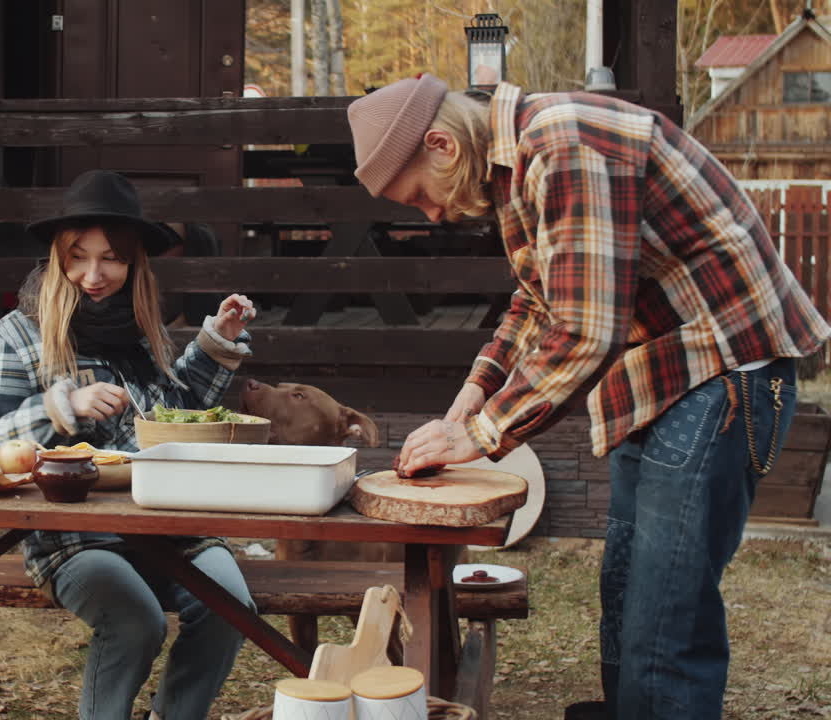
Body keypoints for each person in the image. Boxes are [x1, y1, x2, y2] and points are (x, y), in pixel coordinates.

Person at [345, 74, 830, 719]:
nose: (431, 215)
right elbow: (538, 299)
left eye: (418, 197)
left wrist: (485, 433)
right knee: (627, 596)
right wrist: (472, 393)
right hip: (664, 377)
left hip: (723, 371)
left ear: (442, 146)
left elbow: (585, 327)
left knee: (665, 624)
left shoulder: (563, 142)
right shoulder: (516, 166)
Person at [0, 169, 258, 720]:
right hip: (75, 536)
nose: (93, 275)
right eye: (77, 256)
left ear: (134, 263)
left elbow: (172, 420)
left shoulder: (143, 332)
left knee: (230, 607)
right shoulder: (15, 336)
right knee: (135, 621)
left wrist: (216, 344)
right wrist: (59, 409)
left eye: (111, 258)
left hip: (170, 525)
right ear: (57, 258)